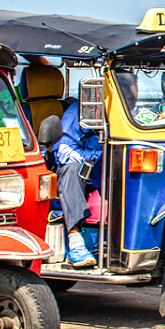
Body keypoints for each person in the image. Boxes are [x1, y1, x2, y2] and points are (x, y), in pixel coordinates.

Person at [54, 99, 101, 268]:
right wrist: (99, 155)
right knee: (72, 170)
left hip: (105, 166)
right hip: (82, 167)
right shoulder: (77, 113)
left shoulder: (129, 112)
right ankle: (76, 242)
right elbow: (65, 153)